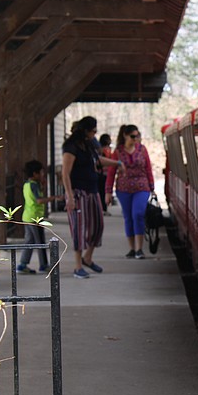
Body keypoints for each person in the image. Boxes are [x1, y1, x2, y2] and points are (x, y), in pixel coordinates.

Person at [62, 116, 125, 278]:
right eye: (93, 130)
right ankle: (77, 267)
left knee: (98, 225)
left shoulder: (89, 145)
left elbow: (98, 161)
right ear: (85, 130)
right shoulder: (71, 146)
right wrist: (69, 196)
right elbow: (65, 173)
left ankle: (87, 258)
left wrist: (116, 163)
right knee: (79, 229)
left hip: (92, 191)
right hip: (77, 192)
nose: (95, 133)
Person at [105, 124, 155, 259]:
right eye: (133, 136)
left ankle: (139, 249)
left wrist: (152, 187)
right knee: (128, 217)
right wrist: (108, 192)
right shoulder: (118, 152)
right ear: (125, 136)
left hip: (142, 187)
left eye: (138, 136)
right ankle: (132, 248)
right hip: (123, 189)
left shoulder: (142, 150)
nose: (136, 138)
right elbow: (111, 172)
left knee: (138, 214)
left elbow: (148, 168)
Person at [17, 160, 63, 274]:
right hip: (35, 218)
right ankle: (43, 265)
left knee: (30, 241)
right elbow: (39, 200)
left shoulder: (27, 184)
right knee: (40, 241)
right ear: (34, 174)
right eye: (41, 172)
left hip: (28, 217)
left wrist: (43, 184)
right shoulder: (33, 185)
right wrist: (54, 197)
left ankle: (22, 265)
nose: (42, 174)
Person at [98, 133, 112, 214]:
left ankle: (103, 208)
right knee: (102, 191)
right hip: (103, 173)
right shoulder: (103, 150)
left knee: (103, 191)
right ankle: (103, 209)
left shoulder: (103, 149)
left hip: (105, 173)